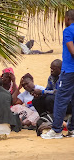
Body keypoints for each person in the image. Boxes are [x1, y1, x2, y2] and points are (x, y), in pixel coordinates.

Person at [42, 10, 74, 139]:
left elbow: (72, 50)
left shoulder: (68, 31)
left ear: (67, 19)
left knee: (61, 100)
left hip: (69, 70)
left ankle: (56, 130)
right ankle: (72, 130)